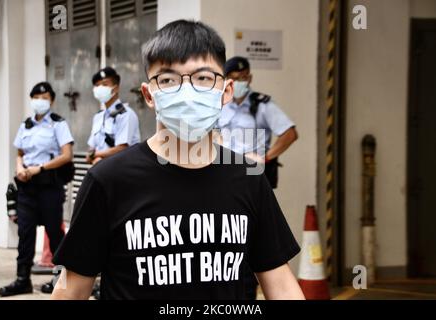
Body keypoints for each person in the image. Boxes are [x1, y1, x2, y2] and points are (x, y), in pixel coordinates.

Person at [51, 20, 304, 300]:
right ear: (149, 95)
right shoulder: (108, 181)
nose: (188, 93)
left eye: (203, 78)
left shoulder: (248, 178)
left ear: (226, 92)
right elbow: (71, 290)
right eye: (168, 80)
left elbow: (280, 284)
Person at [0, 82, 74, 297]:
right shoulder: (26, 125)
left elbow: (67, 155)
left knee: (54, 233)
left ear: (51, 100)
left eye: (44, 97)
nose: (40, 100)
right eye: (36, 96)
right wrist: (20, 167)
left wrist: (39, 168)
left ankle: (61, 281)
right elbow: (20, 153)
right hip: (27, 187)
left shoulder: (58, 124)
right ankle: (22, 279)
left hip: (49, 185)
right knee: (25, 233)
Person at [217, 56, 298, 189]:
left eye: (242, 78)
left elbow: (290, 134)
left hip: (252, 175)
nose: (238, 82)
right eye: (234, 78)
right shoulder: (220, 105)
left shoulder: (262, 105)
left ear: (249, 78)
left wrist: (266, 158)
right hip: (224, 173)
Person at [86, 67, 141, 165]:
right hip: (99, 171)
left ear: (116, 88)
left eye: (105, 84)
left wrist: (95, 155)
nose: (100, 88)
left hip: (122, 173)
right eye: (97, 85)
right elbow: (91, 149)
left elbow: (122, 148)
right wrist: (93, 157)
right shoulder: (98, 117)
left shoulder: (126, 114)